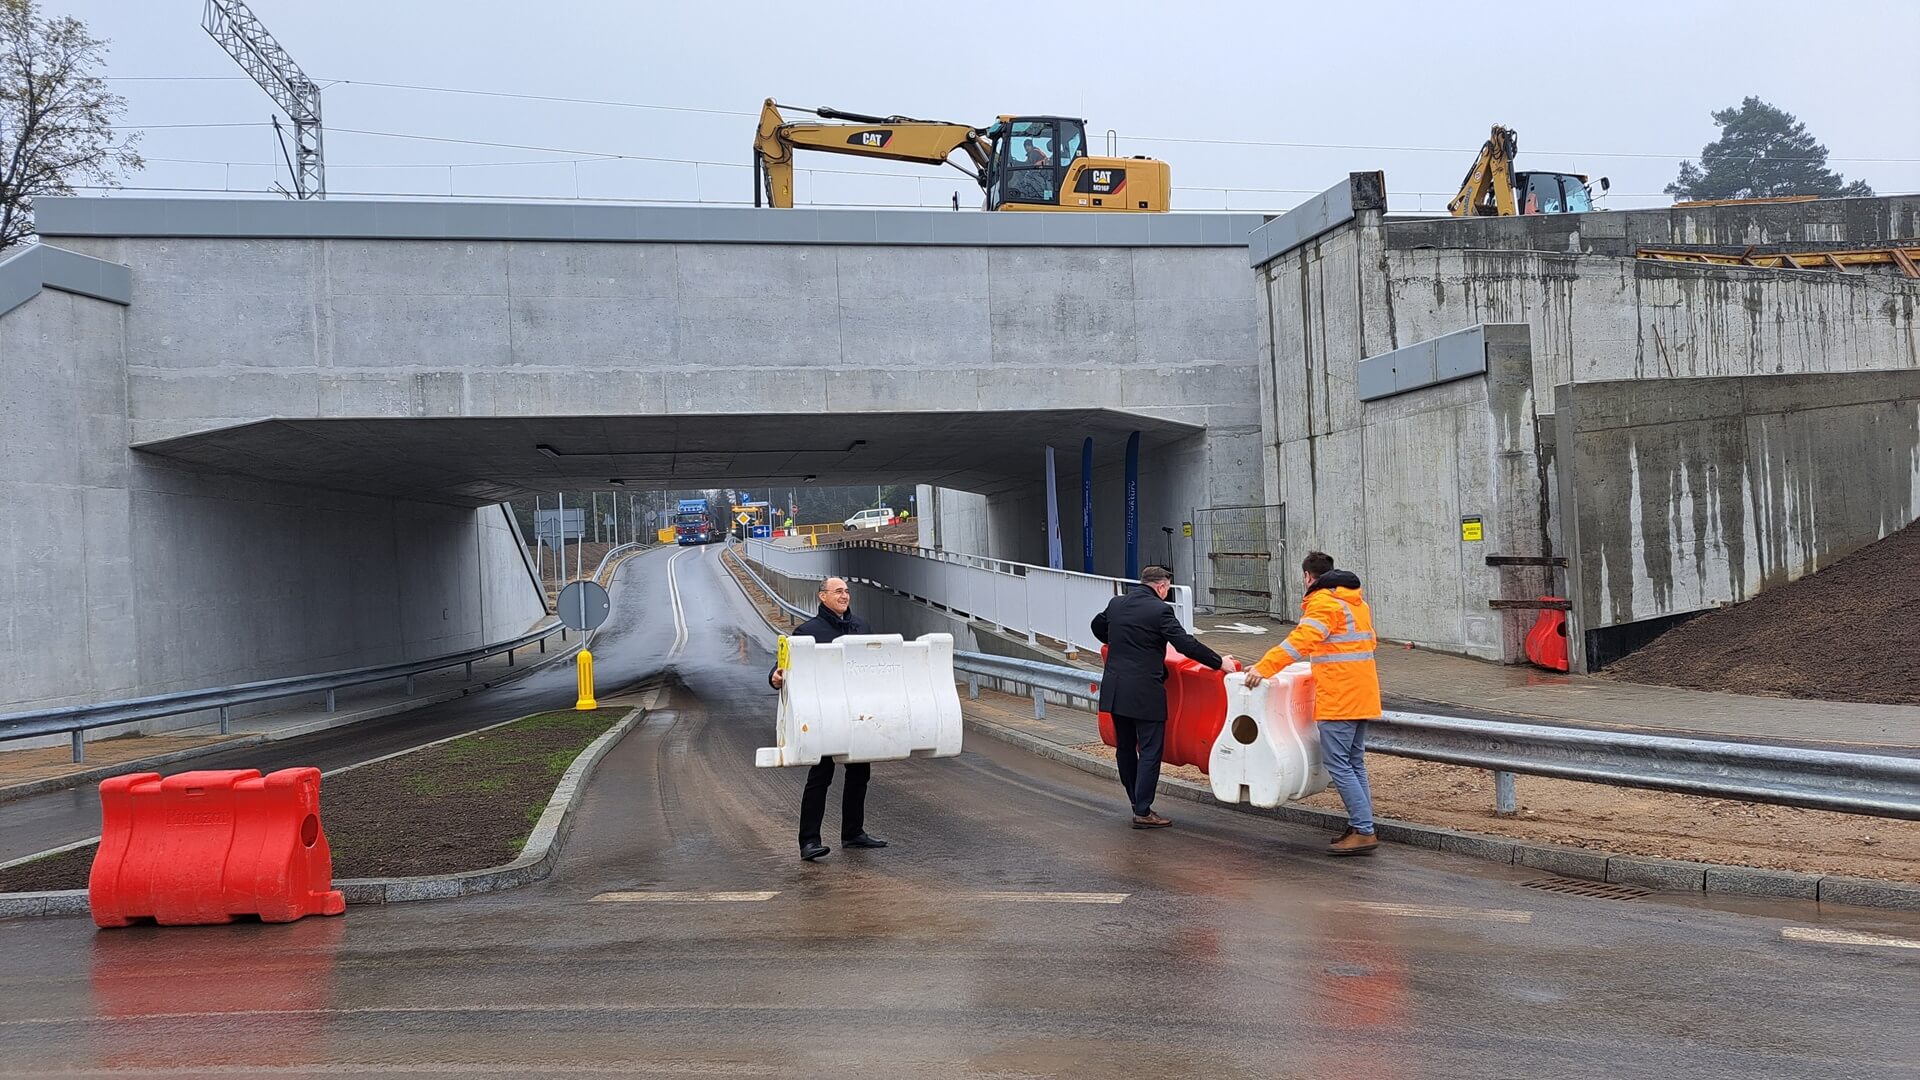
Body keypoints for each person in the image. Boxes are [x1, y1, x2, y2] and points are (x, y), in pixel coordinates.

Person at [1244, 551, 1382, 856]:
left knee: (1338, 765)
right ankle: (1362, 823)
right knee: (1354, 763)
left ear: (1308, 577)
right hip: (1362, 693)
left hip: (1339, 697)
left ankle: (1363, 830)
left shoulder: (1323, 604)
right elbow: (1368, 642)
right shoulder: (1356, 603)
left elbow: (1299, 642)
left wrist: (1263, 668)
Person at [1091, 565, 1224, 829]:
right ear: (1162, 587)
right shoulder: (1161, 610)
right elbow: (1185, 644)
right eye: (1167, 590)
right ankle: (1143, 811)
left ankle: (1136, 802)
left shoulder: (1117, 604)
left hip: (1115, 689)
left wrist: (1118, 641)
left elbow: (1097, 626)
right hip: (1144, 692)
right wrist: (1219, 662)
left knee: (1126, 748)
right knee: (1151, 749)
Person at [769, 577, 888, 862]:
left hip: (858, 713)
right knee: (820, 776)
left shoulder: (862, 627)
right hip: (823, 713)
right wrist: (775, 676)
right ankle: (809, 842)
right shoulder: (807, 631)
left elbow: (878, 665)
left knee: (860, 773)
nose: (845, 595)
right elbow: (782, 665)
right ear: (823, 597)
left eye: (847, 591)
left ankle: (853, 833)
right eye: (838, 591)